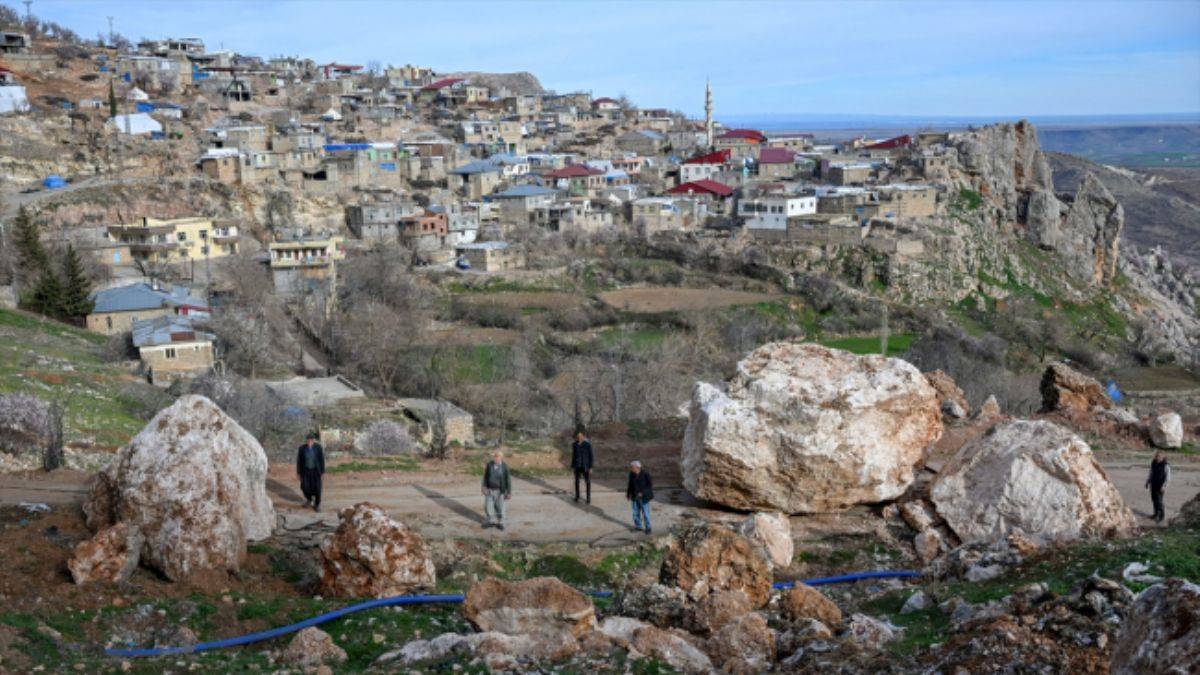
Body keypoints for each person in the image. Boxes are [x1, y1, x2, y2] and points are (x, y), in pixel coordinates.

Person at [481, 450, 512, 530]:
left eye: (497, 456)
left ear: (501, 457)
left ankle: (501, 523)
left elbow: (508, 480)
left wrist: (509, 492)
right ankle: (490, 521)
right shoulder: (490, 465)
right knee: (488, 506)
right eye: (494, 456)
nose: (495, 458)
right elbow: (485, 476)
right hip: (490, 489)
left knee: (501, 507)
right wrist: (484, 486)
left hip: (500, 490)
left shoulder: (504, 467)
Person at [296, 432, 325, 512]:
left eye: (311, 440)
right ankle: (309, 500)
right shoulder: (302, 448)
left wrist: (322, 471)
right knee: (304, 487)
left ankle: (317, 504)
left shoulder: (318, 447)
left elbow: (321, 460)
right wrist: (298, 472)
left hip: (316, 471)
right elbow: (299, 461)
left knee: (317, 488)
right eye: (308, 440)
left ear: (313, 440)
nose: (309, 441)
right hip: (305, 471)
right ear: (306, 440)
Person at [626, 460, 653, 534]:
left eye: (632, 467)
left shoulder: (645, 474)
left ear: (637, 468)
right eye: (631, 467)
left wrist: (643, 493)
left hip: (644, 498)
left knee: (645, 513)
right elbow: (630, 484)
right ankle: (638, 526)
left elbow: (649, 486)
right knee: (635, 513)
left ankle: (648, 528)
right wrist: (628, 494)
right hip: (634, 496)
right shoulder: (631, 474)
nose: (631, 469)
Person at [1146, 451, 1171, 523]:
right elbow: (1151, 473)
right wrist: (1147, 482)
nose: (1157, 458)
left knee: (1159, 501)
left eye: (1159, 456)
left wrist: (1164, 486)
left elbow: (1168, 478)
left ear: (1163, 457)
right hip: (1153, 484)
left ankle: (1162, 516)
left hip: (1160, 486)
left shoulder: (1166, 465)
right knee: (1154, 500)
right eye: (1156, 456)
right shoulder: (1153, 463)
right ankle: (1155, 514)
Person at [571, 430, 594, 504]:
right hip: (577, 466)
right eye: (578, 437)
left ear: (583, 436)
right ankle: (577, 496)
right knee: (577, 482)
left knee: (587, 482)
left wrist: (591, 467)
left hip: (585, 466)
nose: (579, 438)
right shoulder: (574, 444)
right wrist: (573, 466)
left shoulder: (587, 444)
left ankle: (588, 498)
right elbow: (574, 456)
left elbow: (591, 456)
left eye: (580, 436)